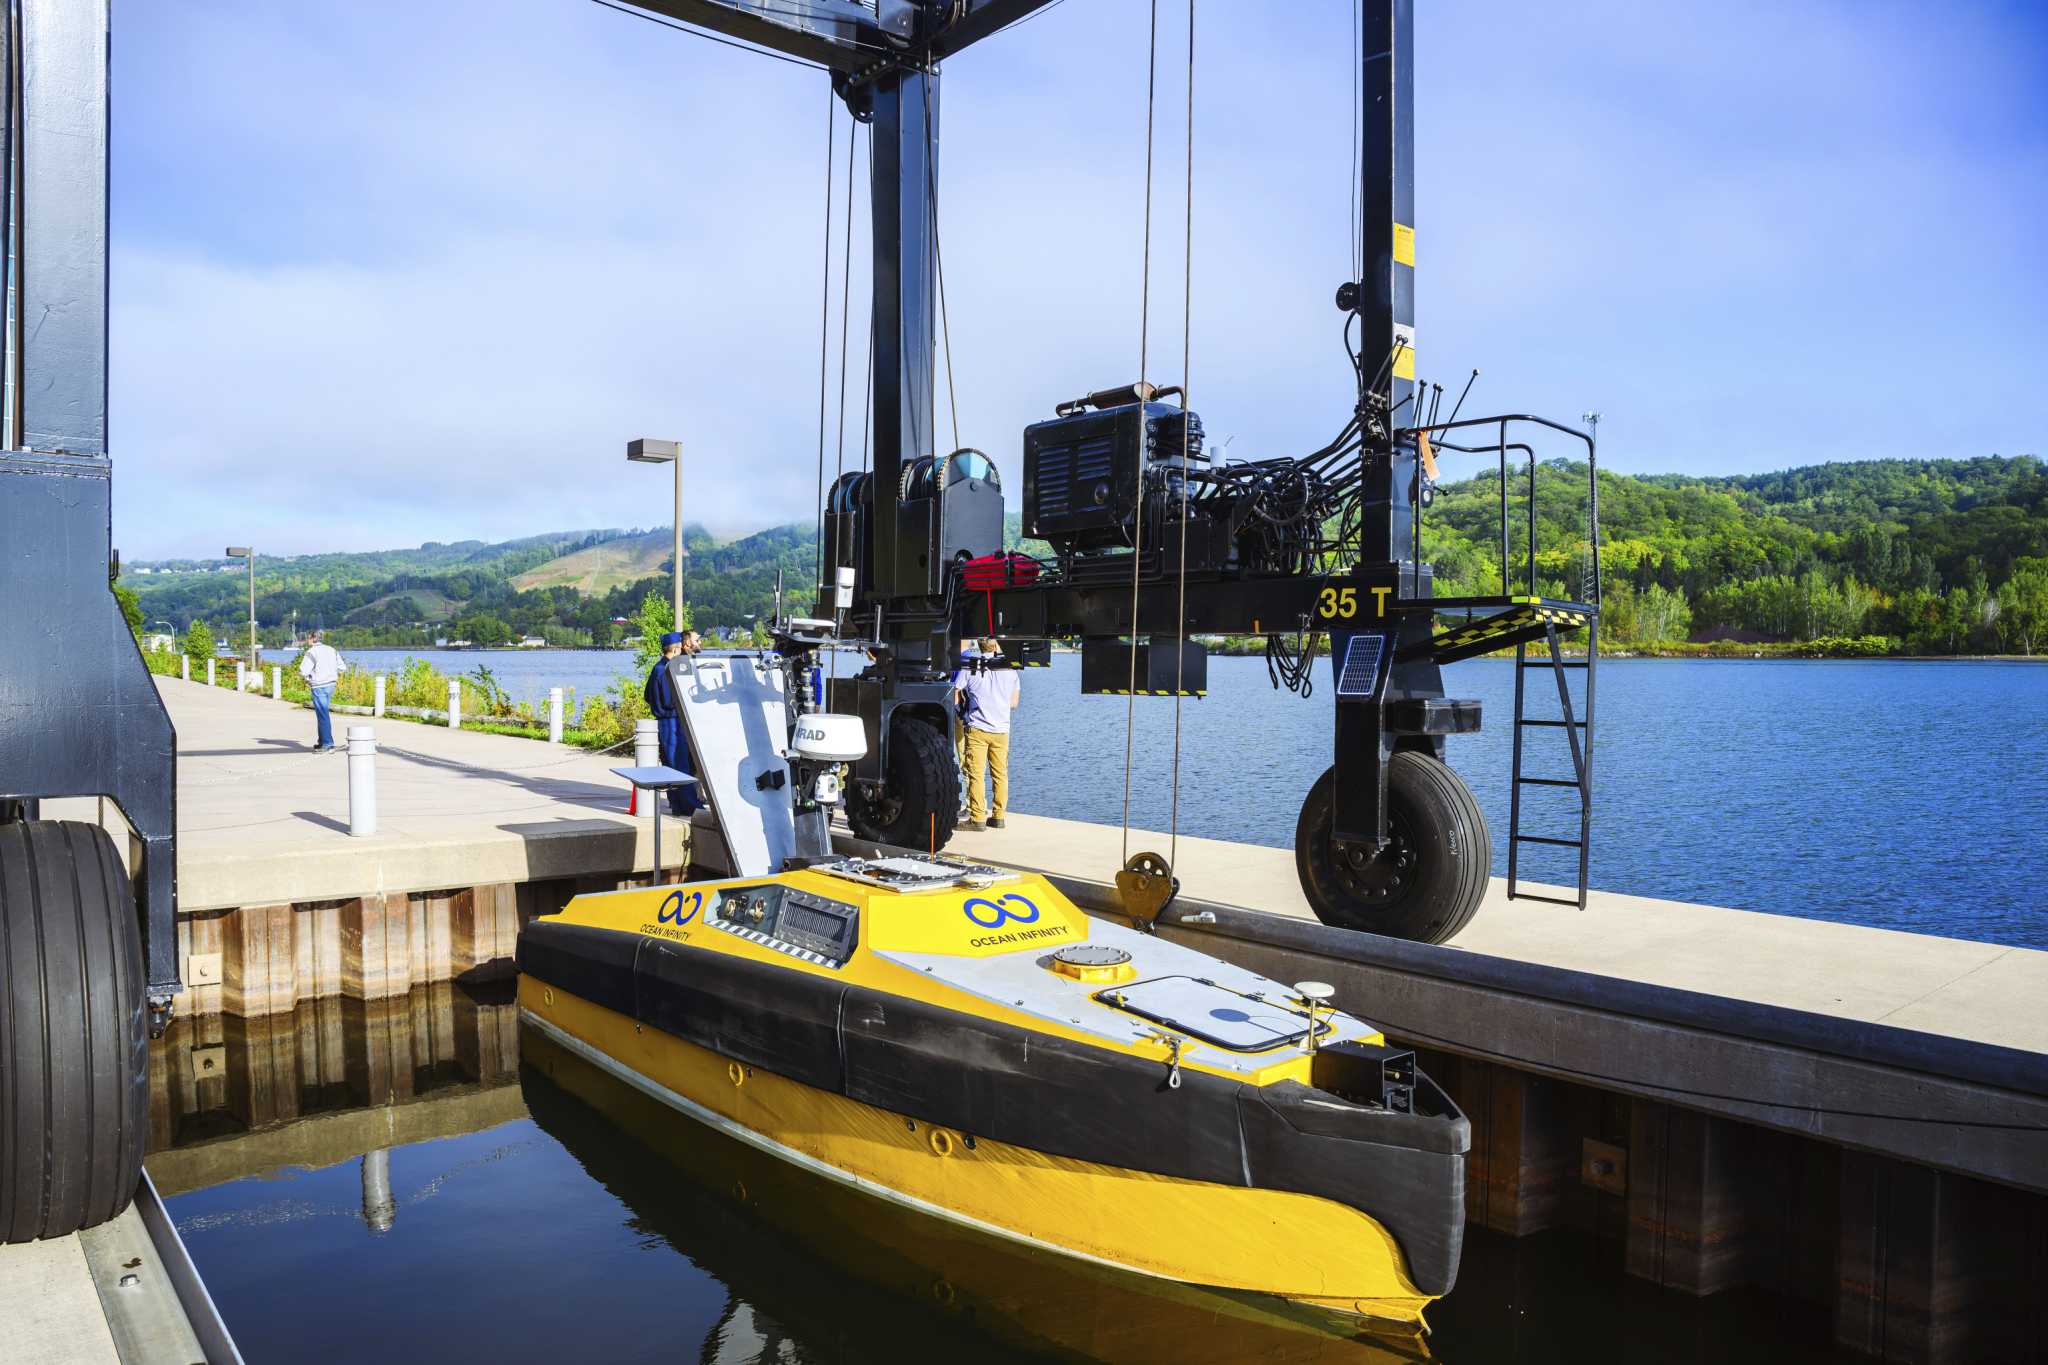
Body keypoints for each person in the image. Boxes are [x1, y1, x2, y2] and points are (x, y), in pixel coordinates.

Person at [953, 636, 1020, 831]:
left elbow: (955, 692)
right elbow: (1014, 702)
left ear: (980, 646)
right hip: (1002, 730)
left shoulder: (970, 667)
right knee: (1000, 775)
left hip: (977, 729)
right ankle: (998, 816)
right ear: (996, 645)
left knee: (976, 775)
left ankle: (977, 818)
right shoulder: (1010, 669)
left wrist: (961, 711)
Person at [643, 629, 704, 815]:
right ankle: (689, 805)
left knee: (672, 765)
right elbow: (671, 700)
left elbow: (647, 695)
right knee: (680, 765)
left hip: (666, 721)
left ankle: (677, 804)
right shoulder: (666, 671)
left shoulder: (658, 668)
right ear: (677, 649)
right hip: (672, 722)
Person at [297, 630, 343, 751]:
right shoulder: (332, 649)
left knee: (322, 714)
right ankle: (322, 740)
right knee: (322, 713)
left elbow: (303, 671)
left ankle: (327, 743)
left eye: (308, 638)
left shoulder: (312, 652)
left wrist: (309, 678)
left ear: (312, 638)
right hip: (331, 684)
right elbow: (342, 667)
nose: (307, 640)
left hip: (318, 685)